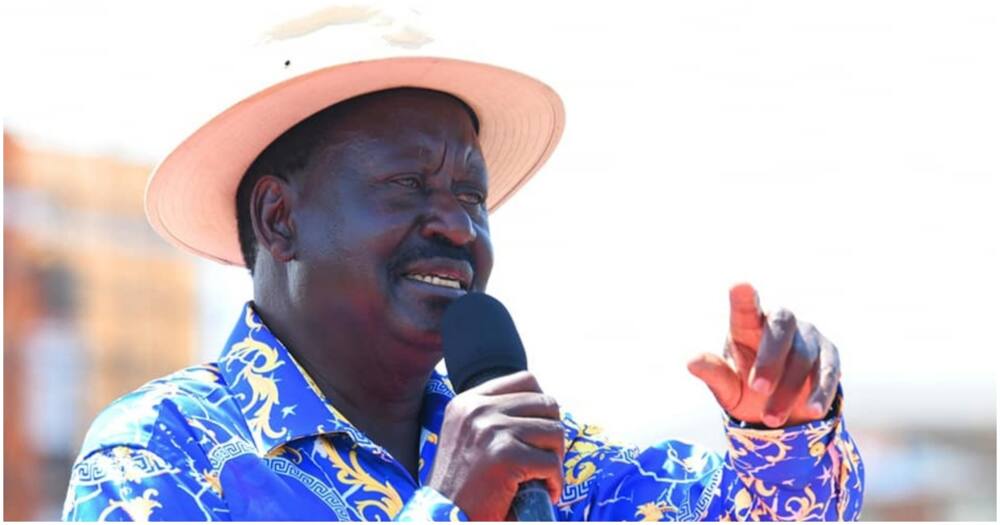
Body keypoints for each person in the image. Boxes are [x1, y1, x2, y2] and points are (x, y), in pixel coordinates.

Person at [63, 58, 864, 521]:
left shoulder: (543, 460)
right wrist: (448, 507)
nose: (456, 226)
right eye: (409, 183)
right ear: (280, 219)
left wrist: (784, 432)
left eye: (472, 196)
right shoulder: (158, 455)